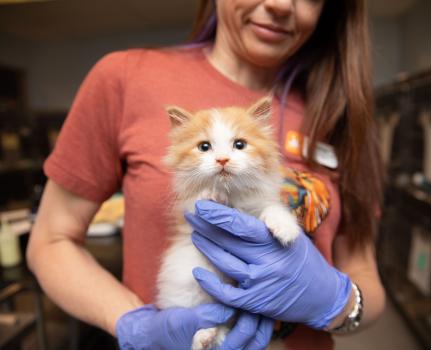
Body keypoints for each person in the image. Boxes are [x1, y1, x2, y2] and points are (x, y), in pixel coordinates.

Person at [26, 0, 386, 349]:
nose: (280, 4)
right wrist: (133, 325)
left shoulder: (344, 112)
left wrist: (337, 302)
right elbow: (51, 240)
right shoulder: (125, 76)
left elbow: (364, 273)